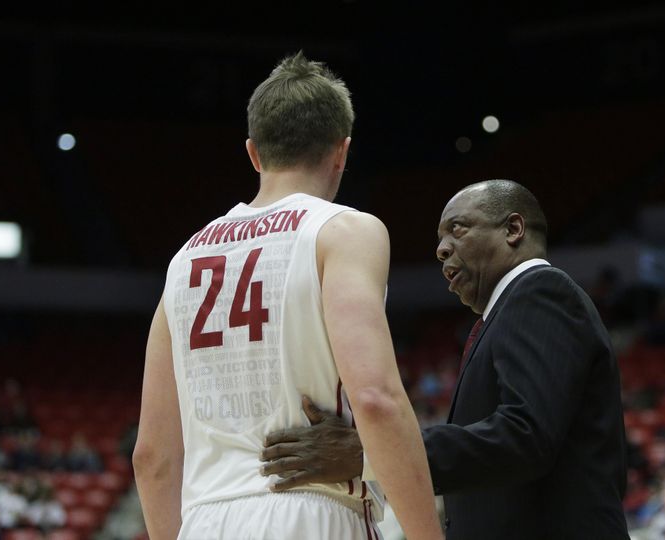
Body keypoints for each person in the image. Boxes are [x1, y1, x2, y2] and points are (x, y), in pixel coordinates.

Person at [132, 52, 442, 540]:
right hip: (313, 511)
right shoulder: (343, 231)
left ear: (254, 153)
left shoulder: (184, 259)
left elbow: (151, 455)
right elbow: (376, 399)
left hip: (204, 520)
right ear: (341, 151)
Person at [261, 180, 629, 539]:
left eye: (458, 229)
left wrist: (374, 453)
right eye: (440, 238)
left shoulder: (539, 290)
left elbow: (526, 435)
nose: (441, 249)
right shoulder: (508, 312)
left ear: (513, 229)